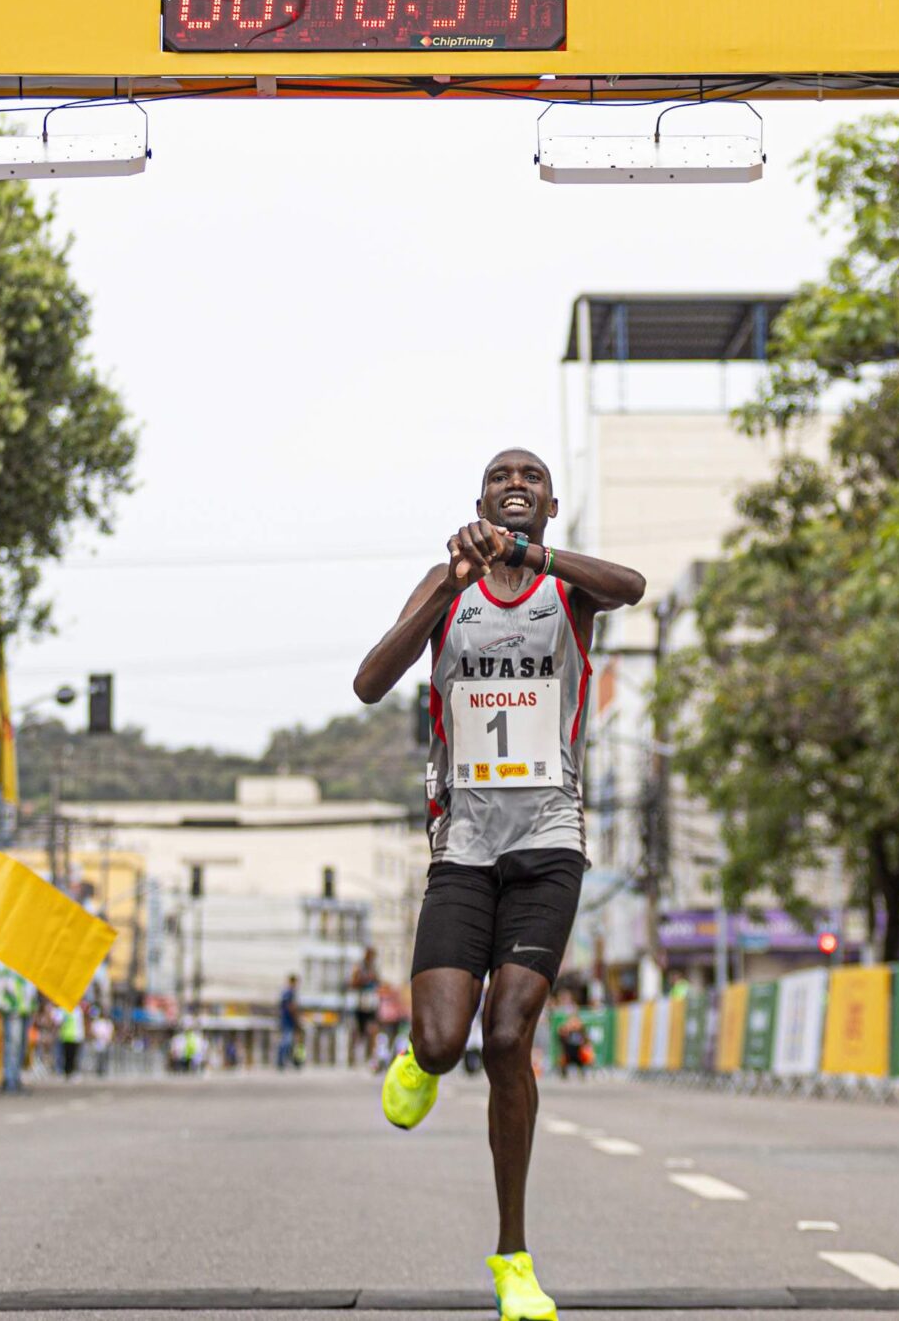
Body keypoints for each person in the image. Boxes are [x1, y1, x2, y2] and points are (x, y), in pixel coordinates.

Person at [353, 447, 645, 1321]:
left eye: (530, 477)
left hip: (549, 842)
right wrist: (450, 585)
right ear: (478, 500)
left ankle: (512, 1255)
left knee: (510, 1030)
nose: (514, 482)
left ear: (550, 506)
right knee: (448, 1041)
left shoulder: (570, 589)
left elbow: (631, 583)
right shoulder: (449, 586)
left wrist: (537, 557)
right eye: (498, 476)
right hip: (465, 847)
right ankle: (420, 1056)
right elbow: (370, 683)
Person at [0, 962, 38, 1093]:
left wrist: (33, 1006)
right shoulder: (3, 961)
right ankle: (9, 1080)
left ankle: (16, 1078)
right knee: (12, 1045)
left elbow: (31, 986)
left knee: (21, 1045)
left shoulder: (28, 961)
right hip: (11, 1008)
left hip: (25, 1009)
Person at [347, 945, 382, 1067]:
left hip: (371, 1003)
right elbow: (352, 983)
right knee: (358, 1031)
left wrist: (375, 979)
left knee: (373, 1030)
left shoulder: (375, 968)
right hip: (359, 1003)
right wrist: (365, 979)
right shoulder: (359, 967)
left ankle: (372, 1057)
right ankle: (352, 1057)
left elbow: (378, 983)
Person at [276, 973, 303, 1069]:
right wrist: (297, 1020)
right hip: (288, 1021)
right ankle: (280, 1061)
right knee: (286, 1041)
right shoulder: (289, 992)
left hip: (288, 1021)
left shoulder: (290, 992)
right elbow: (290, 1007)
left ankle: (288, 1061)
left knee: (290, 1042)